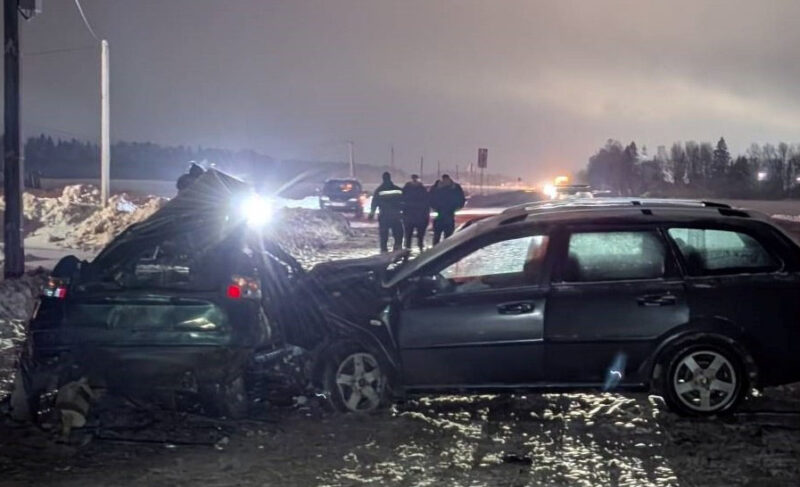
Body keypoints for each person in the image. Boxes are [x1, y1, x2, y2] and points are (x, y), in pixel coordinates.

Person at [369, 172, 404, 252]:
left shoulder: (379, 190)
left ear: (383, 178)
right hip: (396, 215)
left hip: (384, 215)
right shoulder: (397, 189)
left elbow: (374, 203)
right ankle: (398, 248)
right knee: (398, 233)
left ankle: (384, 250)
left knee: (384, 234)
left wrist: (371, 214)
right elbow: (404, 200)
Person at [429, 174, 465, 245]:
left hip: (448, 214)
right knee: (438, 236)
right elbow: (430, 198)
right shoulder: (437, 188)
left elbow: (461, 199)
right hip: (441, 214)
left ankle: (444, 250)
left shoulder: (454, 188)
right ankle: (437, 251)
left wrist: (456, 207)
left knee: (447, 237)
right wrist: (434, 207)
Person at [402, 174, 430, 250]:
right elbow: (427, 203)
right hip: (417, 216)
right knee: (415, 235)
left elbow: (402, 201)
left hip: (412, 216)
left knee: (410, 235)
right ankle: (418, 247)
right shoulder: (422, 189)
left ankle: (409, 249)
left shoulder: (406, 189)